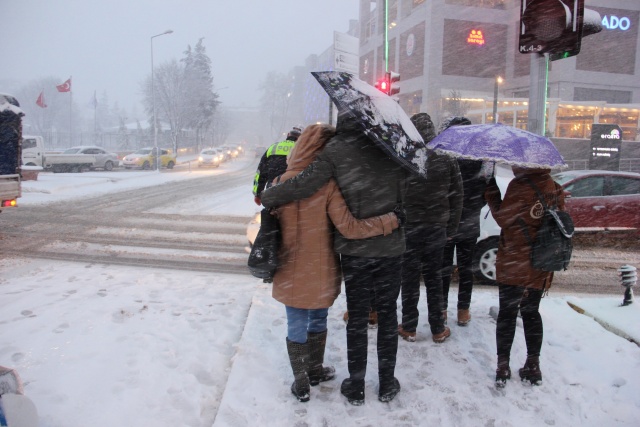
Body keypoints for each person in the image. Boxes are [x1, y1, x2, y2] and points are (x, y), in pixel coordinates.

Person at [260, 112, 408, 405]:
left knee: (355, 318)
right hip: (388, 250)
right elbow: (403, 195)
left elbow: (301, 186)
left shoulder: (335, 151)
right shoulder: (393, 147)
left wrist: (269, 195)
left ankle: (353, 383)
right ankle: (387, 382)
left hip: (349, 255)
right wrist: (394, 217)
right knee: (388, 316)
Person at [484, 165, 565, 388]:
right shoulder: (554, 187)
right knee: (531, 312)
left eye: (517, 163)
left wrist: (492, 194)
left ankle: (503, 366)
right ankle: (533, 365)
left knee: (508, 313)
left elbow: (503, 218)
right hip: (541, 259)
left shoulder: (519, 186)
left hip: (515, 259)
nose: (513, 166)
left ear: (527, 165)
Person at [398, 113, 463, 343]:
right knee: (435, 278)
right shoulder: (446, 155)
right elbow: (458, 194)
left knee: (409, 277)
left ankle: (409, 326)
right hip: (437, 227)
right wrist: (451, 226)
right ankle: (437, 328)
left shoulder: (406, 154)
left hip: (410, 227)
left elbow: (397, 192)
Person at [439, 117, 488, 327]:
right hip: (469, 221)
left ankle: (441, 309)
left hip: (448, 220)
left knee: (444, 267)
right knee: (466, 268)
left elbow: (441, 192)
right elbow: (485, 193)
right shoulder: (479, 159)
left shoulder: (446, 157)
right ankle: (463, 310)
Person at [252, 126, 302, 206]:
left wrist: (258, 194)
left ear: (288, 135)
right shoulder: (301, 150)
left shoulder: (273, 147)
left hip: (272, 190)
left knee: (270, 214)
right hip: (292, 192)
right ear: (300, 138)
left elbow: (261, 172)